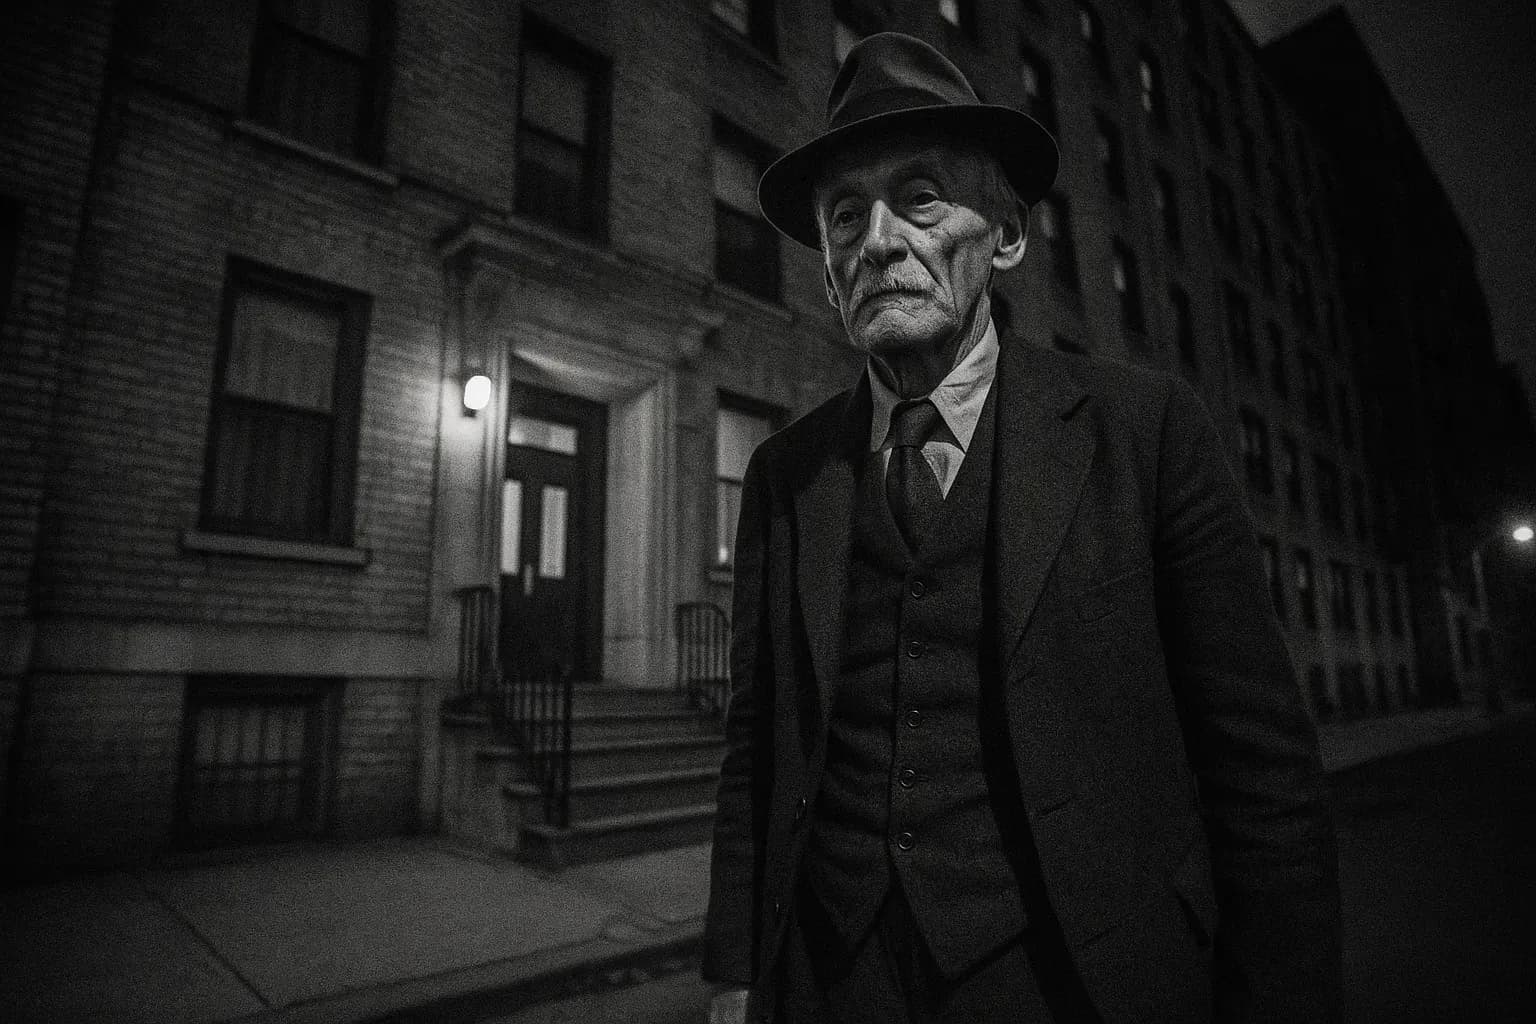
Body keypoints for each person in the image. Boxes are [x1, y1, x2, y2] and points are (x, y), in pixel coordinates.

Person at [703, 32, 1341, 1024]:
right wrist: (736, 972)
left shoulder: (1148, 431)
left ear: (1004, 234)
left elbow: (1260, 770)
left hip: (1069, 979)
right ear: (829, 272)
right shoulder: (786, 474)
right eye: (843, 217)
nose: (875, 240)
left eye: (918, 198)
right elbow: (756, 748)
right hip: (834, 982)